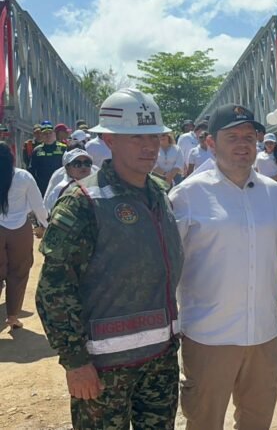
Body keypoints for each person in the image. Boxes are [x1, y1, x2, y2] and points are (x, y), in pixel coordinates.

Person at [36, 88, 183, 428]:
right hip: (104, 367)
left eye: (153, 136)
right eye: (135, 137)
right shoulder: (83, 201)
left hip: (160, 360)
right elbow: (54, 288)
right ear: (110, 141)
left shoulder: (159, 192)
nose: (149, 147)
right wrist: (74, 361)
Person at [170, 103, 277, 429]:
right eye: (232, 136)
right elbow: (167, 266)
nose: (243, 144)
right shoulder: (187, 196)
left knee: (257, 421)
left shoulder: (275, 195)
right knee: (204, 422)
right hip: (209, 337)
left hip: (263, 335)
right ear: (210, 142)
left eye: (249, 137)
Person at [0, 142, 48, 329]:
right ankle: (12, 316)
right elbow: (38, 206)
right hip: (19, 230)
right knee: (18, 273)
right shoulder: (23, 176)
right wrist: (46, 225)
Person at [29, 121, 68, 195]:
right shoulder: (37, 150)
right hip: (43, 185)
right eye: (45, 134)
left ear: (54, 134)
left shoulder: (63, 148)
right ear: (42, 136)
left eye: (50, 133)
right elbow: (32, 169)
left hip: (60, 184)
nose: (48, 135)